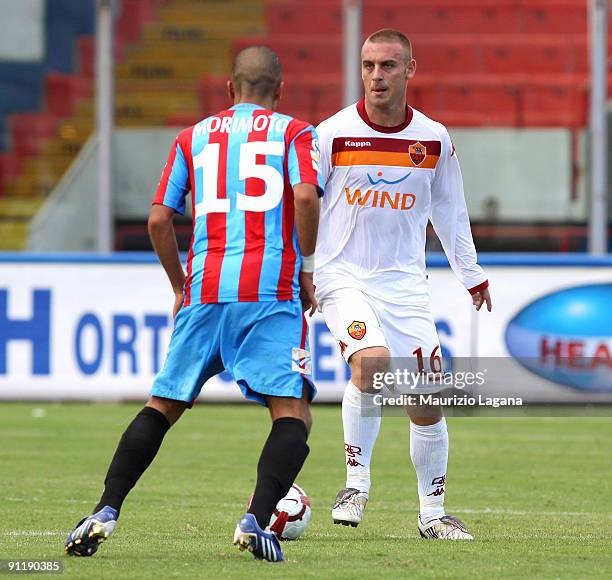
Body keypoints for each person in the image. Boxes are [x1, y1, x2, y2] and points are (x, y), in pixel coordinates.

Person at [64, 46, 323, 563]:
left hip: (204, 289)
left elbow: (159, 220)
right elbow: (306, 198)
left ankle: (105, 510)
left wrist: (180, 284)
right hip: (268, 292)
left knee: (162, 405)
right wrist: (306, 268)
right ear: (281, 90)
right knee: (292, 412)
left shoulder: (192, 137)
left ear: (229, 90)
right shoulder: (295, 133)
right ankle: (257, 518)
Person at [314, 29, 492, 540]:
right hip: (342, 275)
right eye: (369, 66)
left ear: (410, 70)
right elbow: (304, 203)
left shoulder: (433, 138)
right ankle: (356, 483)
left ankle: (433, 516)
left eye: (388, 66)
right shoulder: (332, 135)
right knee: (370, 364)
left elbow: (451, 212)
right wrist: (303, 269)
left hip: (405, 285)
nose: (376, 76)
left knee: (427, 399)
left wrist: (471, 273)